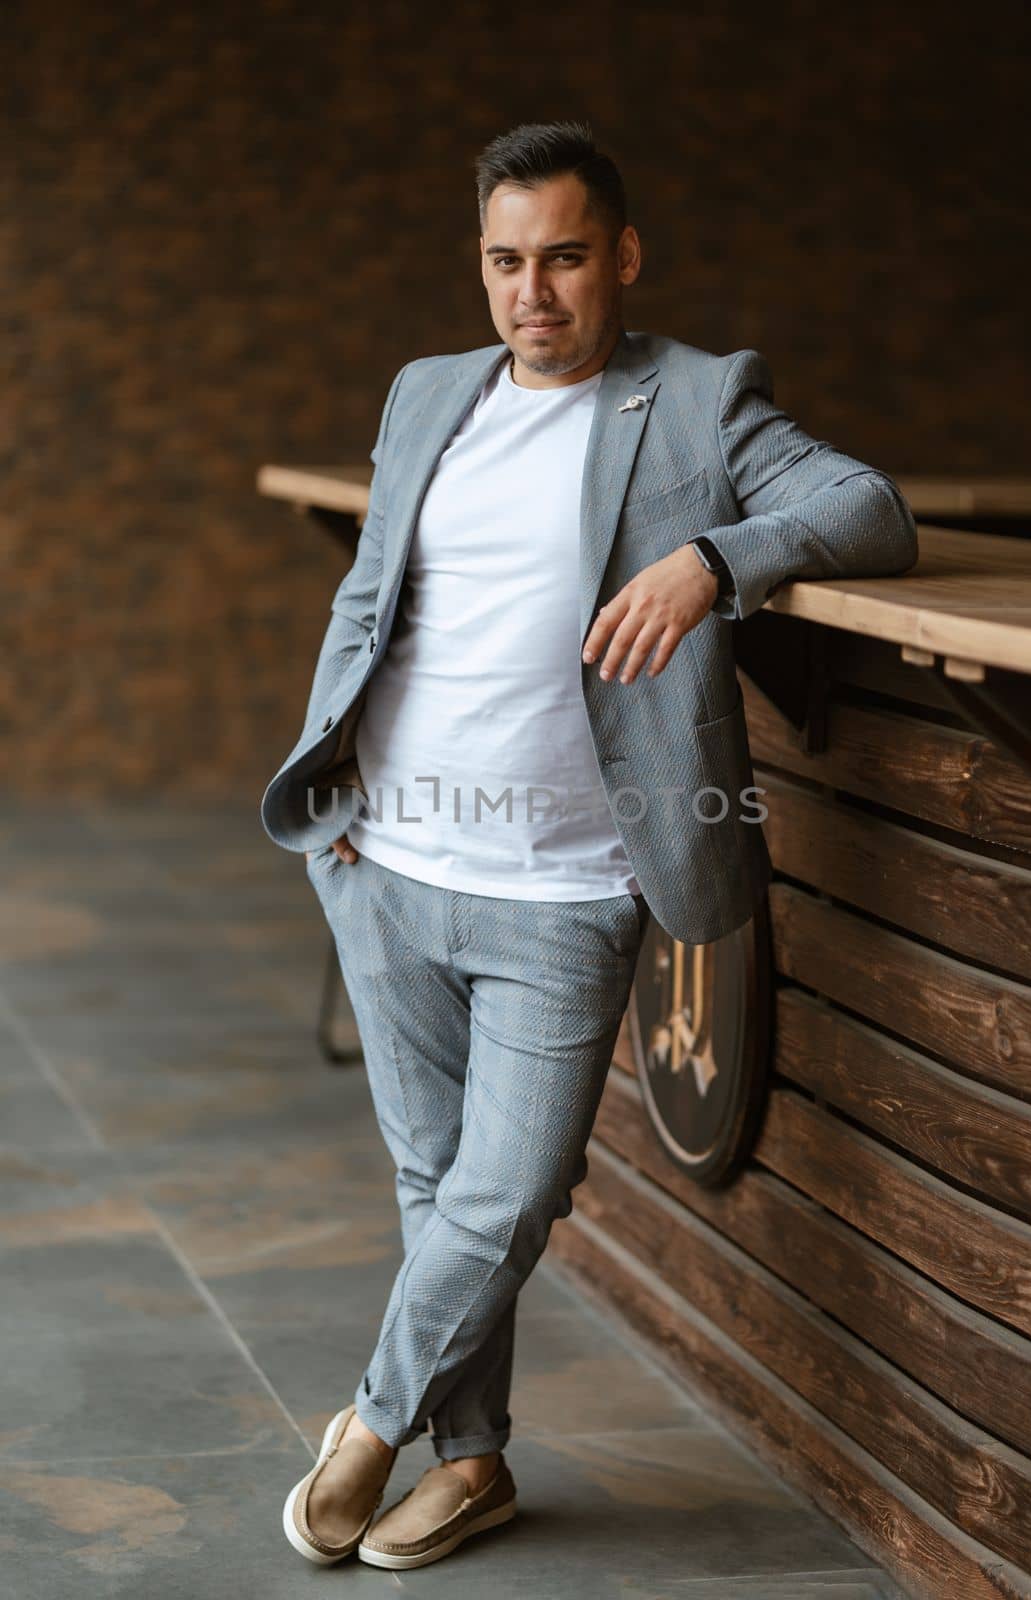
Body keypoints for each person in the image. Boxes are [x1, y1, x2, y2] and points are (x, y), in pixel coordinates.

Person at [265, 119, 918, 1570]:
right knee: (433, 1185)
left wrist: (712, 562)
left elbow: (869, 507)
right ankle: (475, 1463)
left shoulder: (693, 400)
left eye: (564, 257)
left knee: (507, 1191)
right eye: (506, 261)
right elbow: (375, 600)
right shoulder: (429, 390)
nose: (533, 293)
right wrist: (338, 798)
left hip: (564, 886)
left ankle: (369, 1427)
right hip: (385, 861)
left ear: (621, 257)